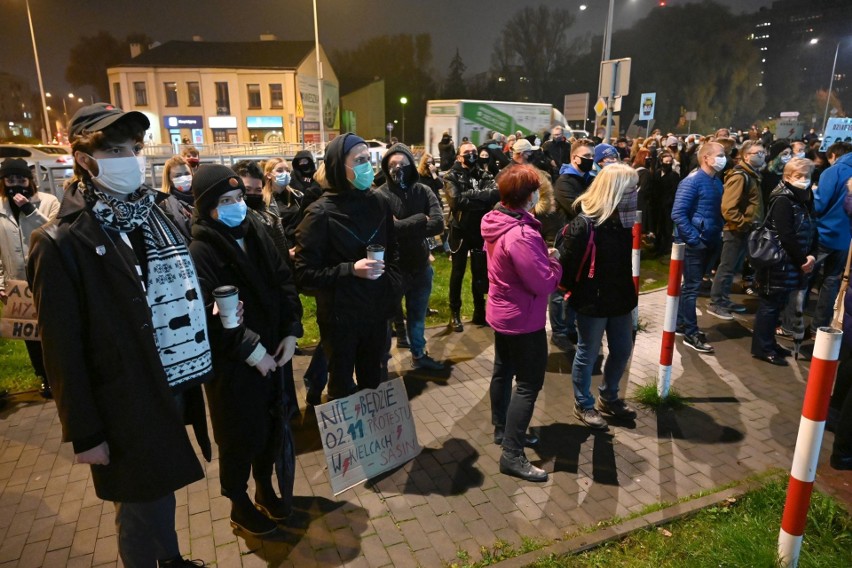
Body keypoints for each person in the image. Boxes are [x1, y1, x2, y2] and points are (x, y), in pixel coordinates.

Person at [28, 103, 211, 567]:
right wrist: (85, 433)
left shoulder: (152, 216)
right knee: (137, 505)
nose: (128, 158)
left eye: (132, 147)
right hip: (120, 401)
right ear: (84, 159)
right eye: (113, 149)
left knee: (159, 486)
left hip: (163, 383)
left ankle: (168, 560)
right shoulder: (59, 242)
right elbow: (61, 350)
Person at [189, 164, 303, 537]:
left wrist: (291, 331)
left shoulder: (256, 229)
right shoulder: (201, 249)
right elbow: (205, 316)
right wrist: (253, 353)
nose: (237, 205)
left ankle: (264, 487)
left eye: (239, 197)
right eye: (226, 200)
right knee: (240, 436)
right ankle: (238, 503)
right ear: (208, 208)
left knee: (271, 426)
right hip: (236, 365)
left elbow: (285, 279)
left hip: (275, 350)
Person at [294, 133, 402, 398]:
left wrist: (394, 287)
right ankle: (346, 438)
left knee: (373, 380)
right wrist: (350, 269)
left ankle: (372, 437)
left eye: (368, 158)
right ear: (337, 167)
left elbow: (394, 252)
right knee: (341, 383)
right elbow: (303, 273)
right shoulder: (320, 213)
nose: (367, 165)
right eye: (359, 160)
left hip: (375, 312)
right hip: (340, 318)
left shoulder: (379, 203)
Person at [481, 164, 562, 481]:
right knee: (528, 384)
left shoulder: (497, 220)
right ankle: (512, 454)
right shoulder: (521, 234)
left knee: (503, 370)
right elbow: (543, 282)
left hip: (504, 312)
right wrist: (554, 263)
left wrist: (542, 255)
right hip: (522, 319)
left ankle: (503, 429)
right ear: (529, 197)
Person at [558, 163, 639, 430]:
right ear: (615, 191)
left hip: (620, 299)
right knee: (588, 352)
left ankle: (609, 396)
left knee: (622, 350)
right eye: (631, 188)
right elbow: (565, 268)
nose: (635, 193)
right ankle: (583, 403)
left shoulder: (623, 222)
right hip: (592, 302)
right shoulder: (584, 225)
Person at [378, 143, 445, 370]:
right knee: (385, 320)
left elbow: (438, 223)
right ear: (386, 168)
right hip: (393, 269)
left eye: (402, 163)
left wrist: (402, 225)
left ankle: (418, 354)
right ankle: (380, 363)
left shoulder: (423, 191)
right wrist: (419, 219)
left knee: (417, 317)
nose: (398, 168)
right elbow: (387, 231)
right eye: (393, 164)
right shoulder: (380, 196)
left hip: (420, 265)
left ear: (411, 164)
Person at [0, 158, 60, 399]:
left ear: (30, 180)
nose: (16, 185)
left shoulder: (48, 202)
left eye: (21, 180)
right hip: (18, 284)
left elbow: (56, 232)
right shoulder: (1, 208)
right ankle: (44, 378)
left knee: (55, 331)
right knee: (30, 334)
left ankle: (62, 376)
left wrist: (30, 211)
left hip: (48, 278)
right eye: (10, 180)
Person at [751, 158, 817, 366]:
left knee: (778, 305)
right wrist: (802, 260)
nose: (804, 180)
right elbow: (785, 234)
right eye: (799, 176)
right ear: (787, 177)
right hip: (778, 262)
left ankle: (769, 342)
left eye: (807, 176)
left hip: (792, 261)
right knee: (769, 305)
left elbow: (810, 226)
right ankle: (762, 348)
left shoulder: (804, 196)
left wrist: (811, 254)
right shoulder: (782, 199)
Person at [671, 142, 726, 353]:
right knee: (692, 288)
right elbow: (678, 213)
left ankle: (680, 322)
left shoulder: (715, 181)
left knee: (691, 287)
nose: (723, 158)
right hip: (697, 242)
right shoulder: (692, 182)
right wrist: (694, 239)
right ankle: (690, 333)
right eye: (720, 155)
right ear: (706, 158)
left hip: (710, 240)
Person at [444, 142, 500, 332]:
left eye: (474, 152)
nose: (472, 155)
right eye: (467, 152)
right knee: (457, 273)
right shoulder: (451, 175)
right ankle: (454, 314)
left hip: (479, 230)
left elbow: (495, 194)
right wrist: (480, 199)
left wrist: (471, 196)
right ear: (459, 156)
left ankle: (479, 311)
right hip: (459, 231)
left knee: (480, 271)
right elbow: (456, 201)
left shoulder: (484, 174)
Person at [708, 141, 765, 319]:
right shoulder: (741, 176)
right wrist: (743, 223)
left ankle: (723, 299)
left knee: (732, 268)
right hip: (735, 230)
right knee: (726, 268)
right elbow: (728, 207)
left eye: (763, 152)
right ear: (746, 156)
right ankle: (716, 302)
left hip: (743, 229)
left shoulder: (752, 175)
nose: (762, 155)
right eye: (758, 153)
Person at [233, 159, 290, 261]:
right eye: (247, 190)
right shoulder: (233, 219)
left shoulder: (269, 210)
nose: (253, 194)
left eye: (258, 190)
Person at [417, 152, 449, 253]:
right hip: (425, 203)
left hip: (436, 202)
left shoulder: (434, 173)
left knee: (442, 226)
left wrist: (434, 173)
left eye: (432, 162)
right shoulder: (419, 175)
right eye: (428, 163)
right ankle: (430, 249)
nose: (430, 165)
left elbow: (440, 185)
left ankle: (447, 249)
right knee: (427, 226)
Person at [158, 155, 195, 242]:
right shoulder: (164, 205)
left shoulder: (202, 197)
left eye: (187, 174)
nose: (184, 178)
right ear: (169, 180)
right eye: (178, 176)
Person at [290, 150, 324, 214]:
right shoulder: (293, 175)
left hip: (314, 207)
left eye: (305, 161)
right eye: (300, 161)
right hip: (297, 207)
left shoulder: (315, 174)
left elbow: (317, 189)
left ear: (310, 161)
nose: (302, 164)